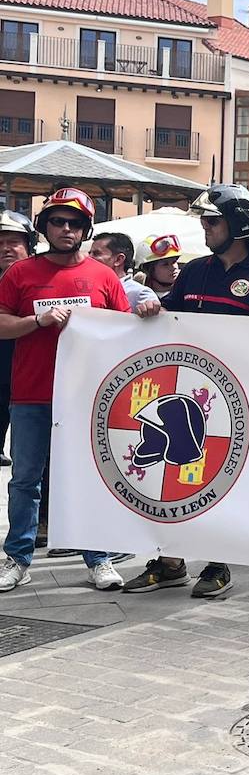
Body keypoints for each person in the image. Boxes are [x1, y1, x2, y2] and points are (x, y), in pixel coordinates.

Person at [124, 184, 249, 600]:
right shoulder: (195, 271)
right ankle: (169, 563)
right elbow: (171, 323)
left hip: (237, 401)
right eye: (204, 219)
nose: (205, 225)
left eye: (213, 220)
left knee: (219, 482)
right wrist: (153, 311)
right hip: (188, 395)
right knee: (174, 477)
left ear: (237, 223)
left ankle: (218, 564)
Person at [0, 188, 135, 594]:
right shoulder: (19, 274)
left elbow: (126, 331)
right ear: (44, 226)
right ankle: (17, 557)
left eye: (74, 223)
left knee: (89, 476)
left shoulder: (104, 276)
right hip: (31, 394)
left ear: (85, 230)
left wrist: (149, 311)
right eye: (57, 221)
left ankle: (99, 558)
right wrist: (36, 322)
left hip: (86, 397)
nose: (65, 229)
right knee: (25, 479)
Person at [0, 211, 36, 469]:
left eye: (13, 242)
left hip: (32, 369)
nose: (5, 249)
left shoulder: (43, 277)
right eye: (0, 243)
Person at [88, 231, 159, 312]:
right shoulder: (90, 287)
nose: (89, 258)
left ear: (119, 259)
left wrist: (150, 309)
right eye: (89, 253)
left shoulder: (141, 294)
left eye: (96, 254)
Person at [134, 234, 183, 299]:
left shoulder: (186, 293)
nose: (174, 267)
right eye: (165, 264)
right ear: (148, 269)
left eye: (174, 262)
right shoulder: (137, 295)